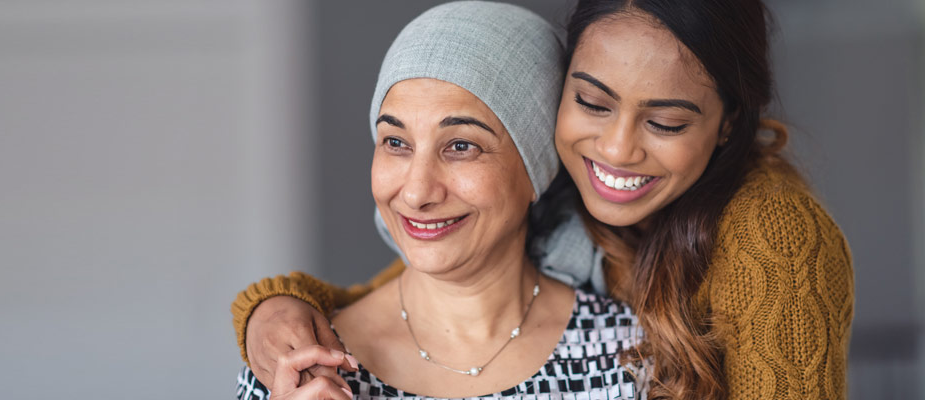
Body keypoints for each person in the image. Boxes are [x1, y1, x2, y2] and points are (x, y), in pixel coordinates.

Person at [232, 0, 854, 399]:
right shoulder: (565, 212)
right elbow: (439, 269)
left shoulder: (773, 237)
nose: (614, 148)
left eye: (664, 121)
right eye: (591, 101)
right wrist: (273, 311)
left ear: (726, 123)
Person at [235, 3, 646, 399]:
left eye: (462, 146)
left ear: (537, 168)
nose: (416, 192)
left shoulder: (634, 353)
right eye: (395, 142)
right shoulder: (297, 366)